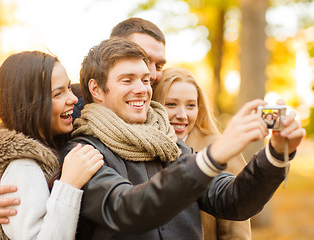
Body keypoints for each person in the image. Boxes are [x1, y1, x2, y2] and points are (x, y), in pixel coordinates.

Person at [59, 37, 305, 239]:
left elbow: (233, 201)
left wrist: (275, 153)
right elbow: (129, 209)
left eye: (145, 80)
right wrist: (213, 156)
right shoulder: (82, 150)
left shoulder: (169, 142)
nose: (142, 89)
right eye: (127, 80)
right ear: (96, 89)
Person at [0, 16, 168, 226]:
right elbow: (14, 137)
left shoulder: (172, 100)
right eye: (144, 59)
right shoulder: (77, 100)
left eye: (158, 65)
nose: (151, 72)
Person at [0, 51, 104, 239]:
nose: (73, 98)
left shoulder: (41, 148)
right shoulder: (23, 166)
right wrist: (69, 184)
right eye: (58, 93)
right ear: (31, 104)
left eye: (68, 87)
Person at [152, 67, 251, 239]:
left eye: (191, 105)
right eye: (171, 104)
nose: (182, 115)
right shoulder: (143, 146)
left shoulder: (219, 148)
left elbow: (236, 225)